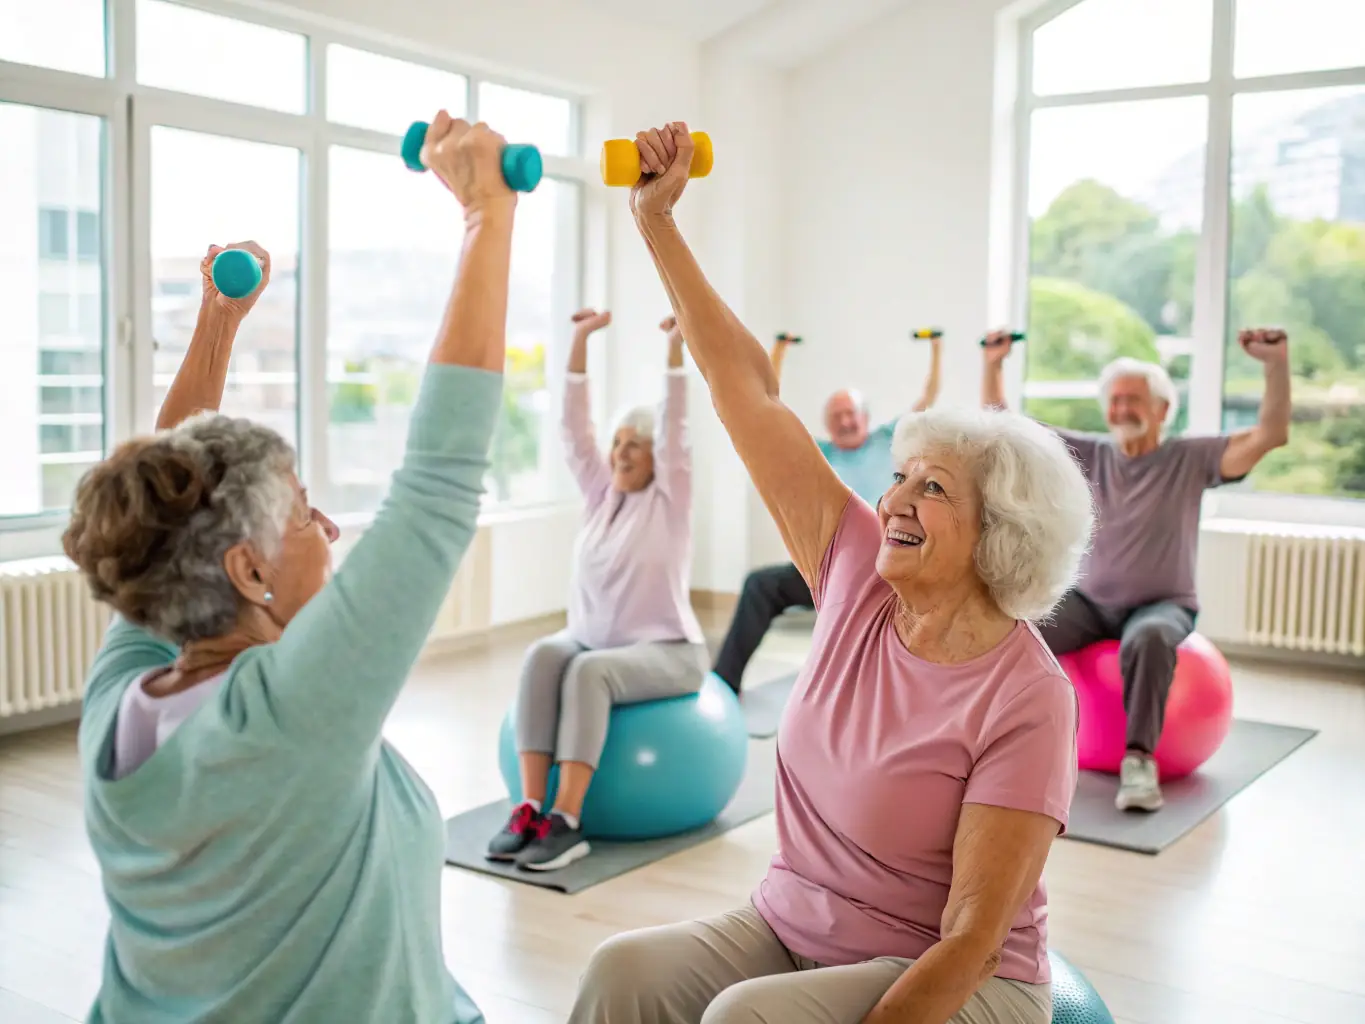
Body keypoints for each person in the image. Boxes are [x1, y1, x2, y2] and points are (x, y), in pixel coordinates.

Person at [567, 122, 1097, 1024]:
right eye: (898, 474)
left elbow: (972, 934)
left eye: (931, 488)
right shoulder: (855, 570)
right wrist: (655, 222)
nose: (892, 500)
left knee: (743, 1017)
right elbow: (750, 393)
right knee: (622, 971)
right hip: (795, 924)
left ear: (997, 535)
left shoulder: (1026, 698)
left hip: (963, 979)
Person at [63, 111, 513, 1023]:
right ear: (248, 570)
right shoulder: (290, 711)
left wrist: (219, 325)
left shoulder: (124, 697)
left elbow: (158, 496)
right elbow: (438, 479)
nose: (330, 530)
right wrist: (485, 215)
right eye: (304, 512)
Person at [981, 327, 1290, 812]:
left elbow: (1271, 435)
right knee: (1019, 626)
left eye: (1135, 400)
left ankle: (1139, 761)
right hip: (1090, 602)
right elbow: (1008, 429)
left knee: (1146, 639)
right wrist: (994, 365)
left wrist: (1275, 365)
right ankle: (993, 743)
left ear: (1164, 410)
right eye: (1116, 399)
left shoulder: (1190, 458)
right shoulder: (1091, 453)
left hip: (1163, 604)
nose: (1123, 409)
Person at [486, 309, 706, 872]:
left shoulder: (669, 500)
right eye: (618, 444)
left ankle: (567, 822)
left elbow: (676, 422)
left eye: (637, 445)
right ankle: (530, 807)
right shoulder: (600, 495)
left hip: (669, 653)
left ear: (659, 457)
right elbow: (571, 429)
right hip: (593, 639)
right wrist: (579, 341)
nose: (621, 454)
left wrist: (676, 351)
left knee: (588, 672)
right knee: (543, 655)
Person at [711, 329, 942, 693]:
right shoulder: (819, 454)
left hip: (882, 569)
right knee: (760, 585)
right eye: (836, 416)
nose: (844, 422)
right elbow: (768, 411)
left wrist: (936, 348)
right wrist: (778, 353)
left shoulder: (889, 442)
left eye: (850, 413)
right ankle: (723, 684)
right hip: (825, 566)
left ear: (865, 417)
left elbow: (927, 398)